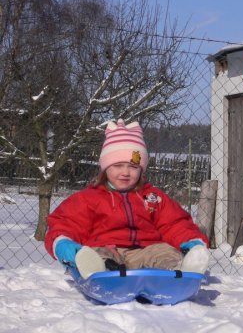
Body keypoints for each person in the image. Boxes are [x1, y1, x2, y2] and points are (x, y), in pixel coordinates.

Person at [44, 119, 210, 279]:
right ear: (105, 167)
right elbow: (68, 222)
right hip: (107, 249)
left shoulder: (153, 197)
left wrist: (191, 241)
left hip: (146, 251)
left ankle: (180, 270)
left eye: (133, 167)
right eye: (117, 166)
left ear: (141, 169)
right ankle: (97, 271)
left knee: (165, 252)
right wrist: (63, 243)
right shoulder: (89, 198)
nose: (125, 172)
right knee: (96, 255)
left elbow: (174, 224)